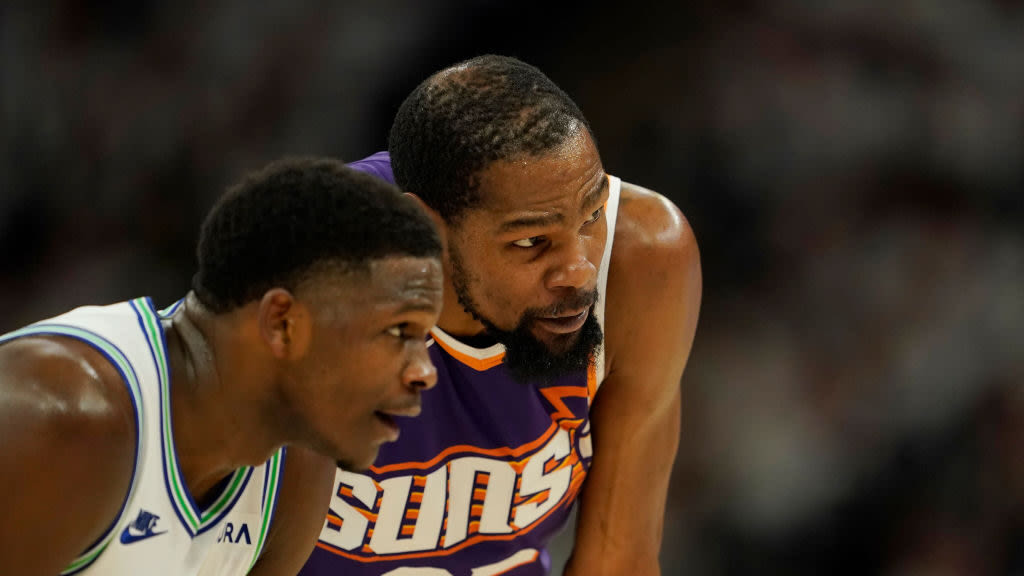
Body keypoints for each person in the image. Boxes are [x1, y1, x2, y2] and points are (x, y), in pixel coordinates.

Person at [300, 55, 702, 575]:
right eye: (532, 242)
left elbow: (618, 556)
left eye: (592, 216)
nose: (579, 270)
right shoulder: (311, 282)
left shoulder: (641, 261)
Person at [0, 157, 445, 575]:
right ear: (282, 324)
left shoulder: (298, 466)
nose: (424, 371)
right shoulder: (60, 419)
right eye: (398, 331)